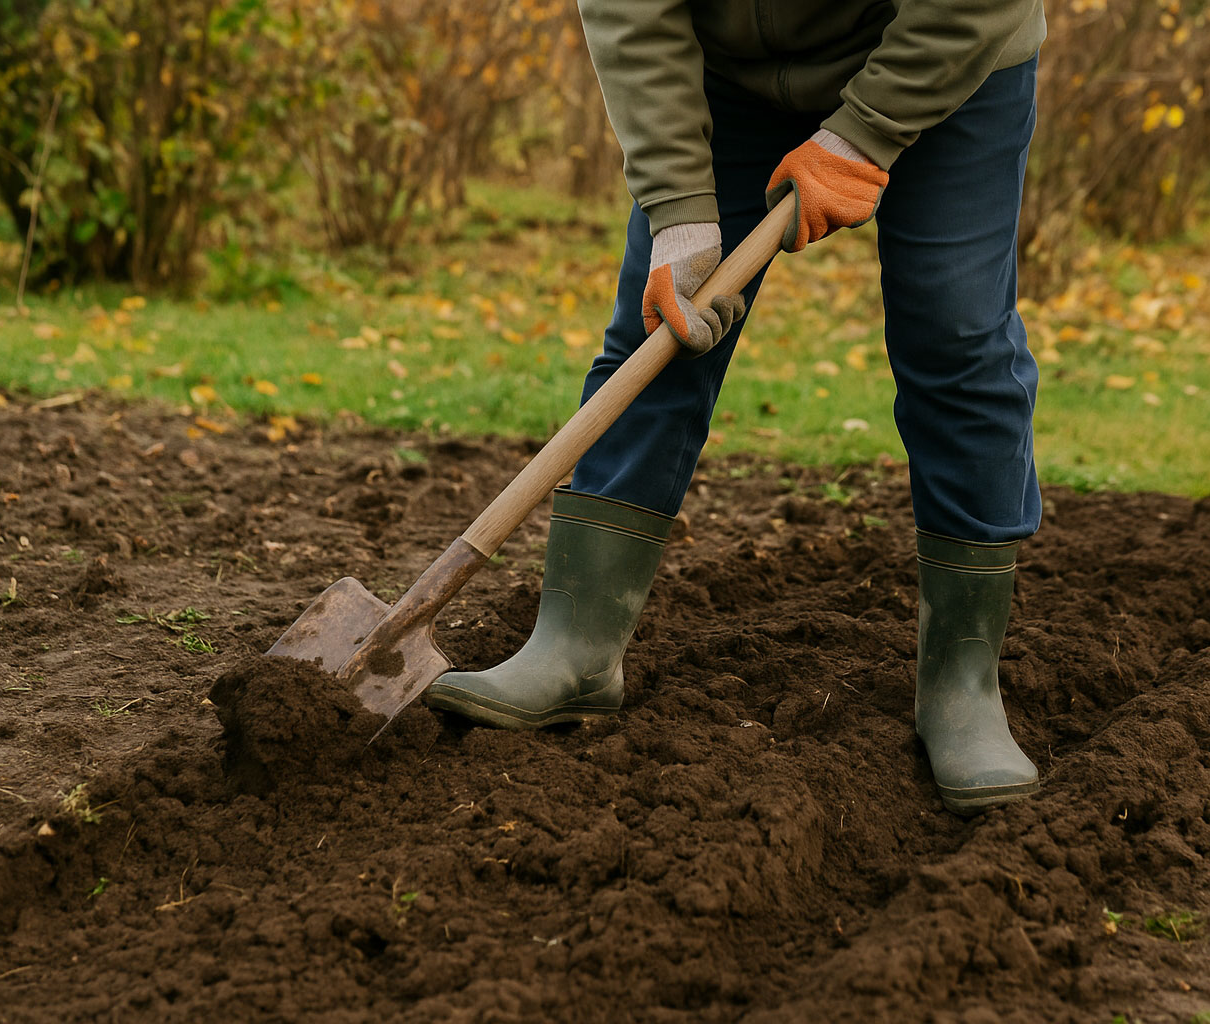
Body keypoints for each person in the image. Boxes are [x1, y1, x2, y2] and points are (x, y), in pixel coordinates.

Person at [427, 0, 1047, 815]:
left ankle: (963, 686)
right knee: (664, 322)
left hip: (946, 54)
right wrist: (679, 212)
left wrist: (863, 132)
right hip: (729, 76)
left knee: (956, 338)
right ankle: (575, 646)